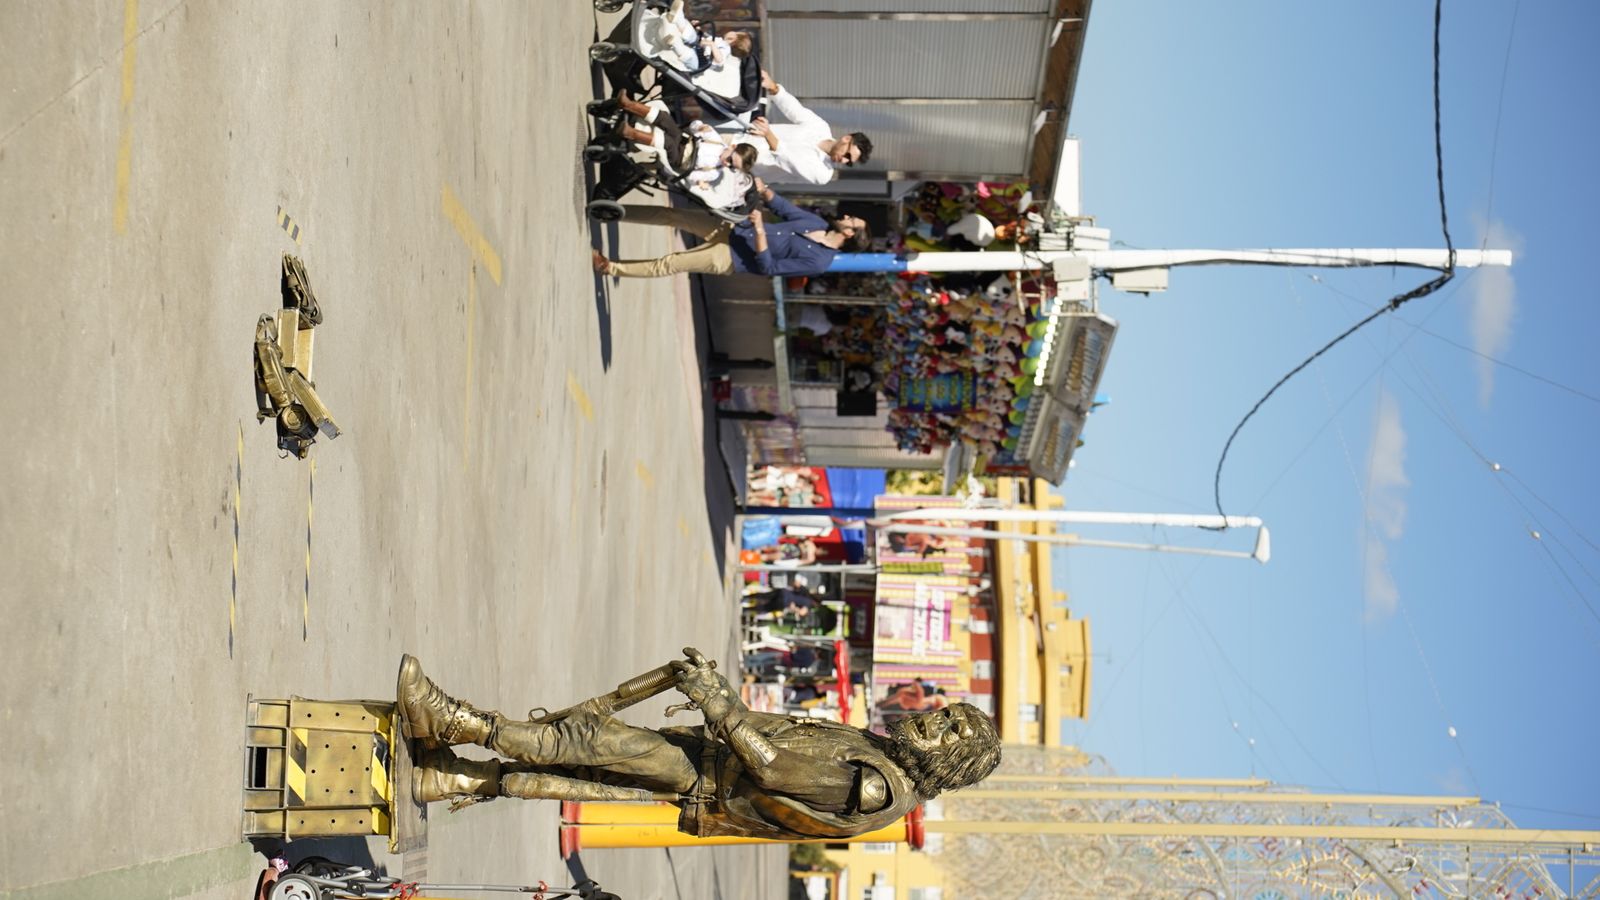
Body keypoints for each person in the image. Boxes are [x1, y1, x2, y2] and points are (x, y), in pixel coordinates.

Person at [398, 650, 1002, 839]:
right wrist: (726, 705)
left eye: (949, 733)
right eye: (944, 714)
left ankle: (455, 723)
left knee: (587, 738)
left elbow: (774, 769)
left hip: (710, 776)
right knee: (593, 772)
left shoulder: (877, 786)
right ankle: (449, 778)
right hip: (709, 765)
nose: (932, 723)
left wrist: (719, 703)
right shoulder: (885, 757)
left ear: (953, 762)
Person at [592, 178, 870, 279]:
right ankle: (610, 211)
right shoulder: (818, 223)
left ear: (848, 234)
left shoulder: (819, 262)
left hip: (731, 259)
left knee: (671, 263)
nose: (846, 216)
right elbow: (785, 209)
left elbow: (769, 269)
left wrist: (760, 232)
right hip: (732, 231)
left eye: (852, 221)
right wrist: (764, 190)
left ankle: (610, 267)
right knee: (672, 215)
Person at [746, 70, 873, 186]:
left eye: (849, 163)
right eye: (848, 155)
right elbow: (794, 109)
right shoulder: (821, 127)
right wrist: (772, 87)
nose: (844, 161)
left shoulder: (823, 174)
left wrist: (768, 133)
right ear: (846, 138)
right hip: (744, 133)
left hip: (742, 166)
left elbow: (786, 157)